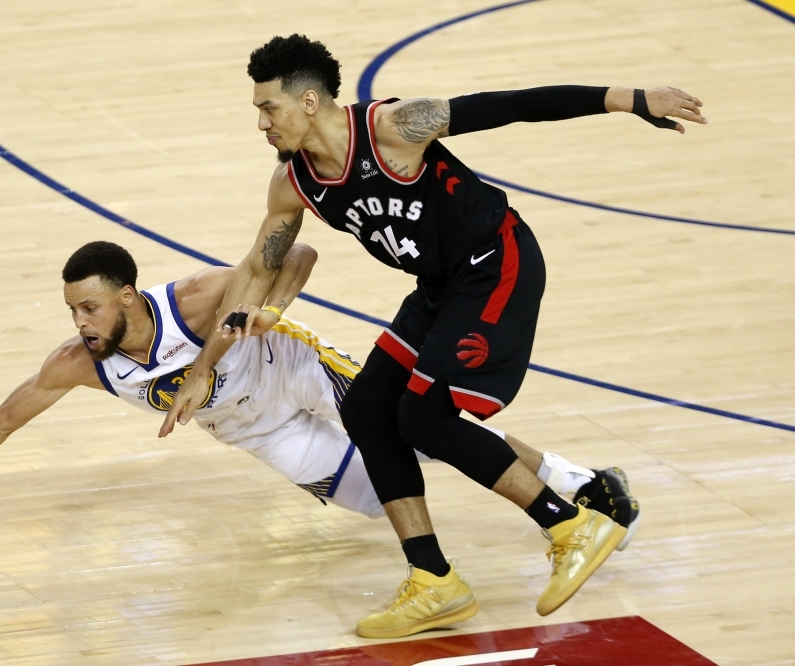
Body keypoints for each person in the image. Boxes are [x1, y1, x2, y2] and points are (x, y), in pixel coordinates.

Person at [161, 34, 702, 638]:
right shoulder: (295, 183)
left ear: (309, 101)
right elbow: (257, 270)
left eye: (269, 108)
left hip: (497, 262)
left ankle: (569, 524)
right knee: (368, 410)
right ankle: (434, 580)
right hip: (440, 285)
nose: (261, 122)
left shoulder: (393, 127)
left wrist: (633, 98)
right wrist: (206, 366)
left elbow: (512, 104)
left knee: (426, 416)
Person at [0, 241, 632, 544]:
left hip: (298, 372)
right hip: (260, 434)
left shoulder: (194, 300)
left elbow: (297, 253)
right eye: (72, 309)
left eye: (89, 306)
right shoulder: (82, 360)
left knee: (421, 428)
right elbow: (1, 419)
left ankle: (579, 485)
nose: (80, 321)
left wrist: (264, 315)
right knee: (376, 497)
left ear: (129, 296)